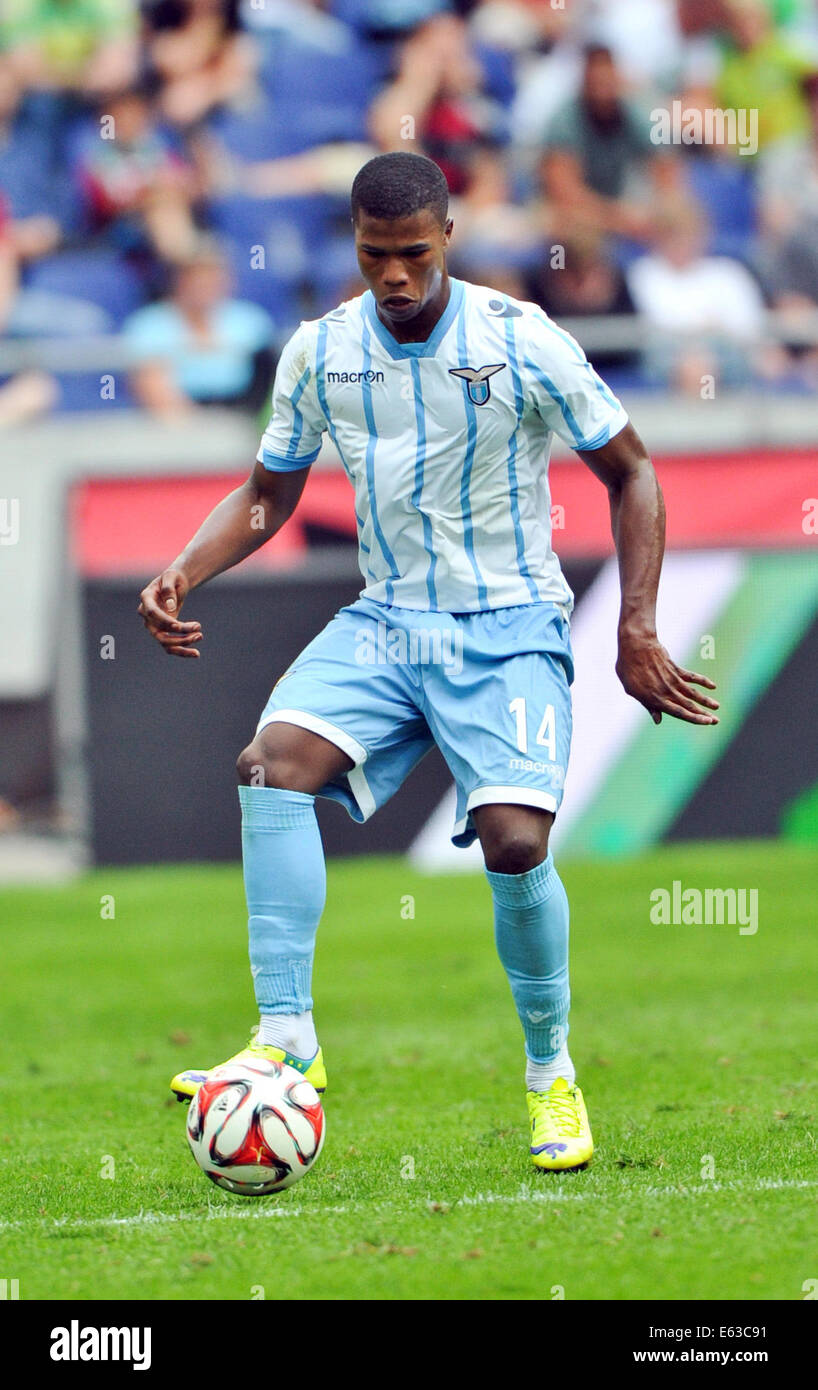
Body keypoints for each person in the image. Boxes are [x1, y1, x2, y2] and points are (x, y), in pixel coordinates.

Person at [138, 152, 718, 1173]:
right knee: (269, 765)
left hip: (507, 623)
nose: (394, 276)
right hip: (387, 621)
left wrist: (634, 624)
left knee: (510, 843)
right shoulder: (319, 351)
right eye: (374, 256)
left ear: (447, 235)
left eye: (411, 254)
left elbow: (632, 474)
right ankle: (287, 1038)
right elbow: (268, 493)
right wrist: (185, 569)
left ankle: (550, 1076)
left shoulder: (518, 339)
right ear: (353, 246)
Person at [123, 238, 275, 416]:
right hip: (180, 418)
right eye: (195, 276)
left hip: (246, 412)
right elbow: (152, 386)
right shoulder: (149, 325)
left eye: (212, 276)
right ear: (177, 280)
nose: (204, 284)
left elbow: (270, 381)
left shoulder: (251, 320)